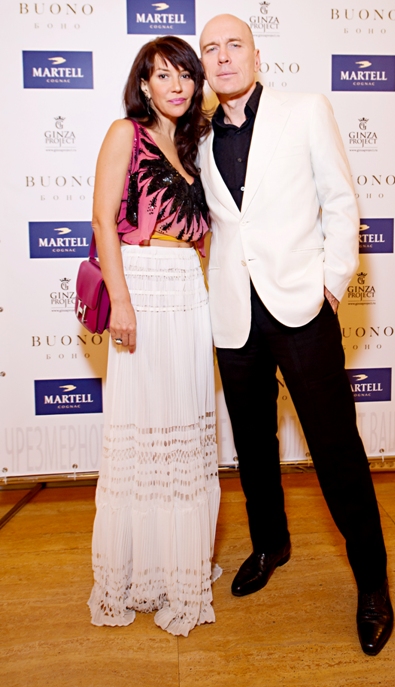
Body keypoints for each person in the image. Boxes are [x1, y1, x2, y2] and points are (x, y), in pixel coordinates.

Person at [198, 14, 393, 655]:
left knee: (336, 449)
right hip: (235, 314)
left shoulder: (305, 109)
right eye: (211, 49)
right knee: (253, 445)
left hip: (302, 308)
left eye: (234, 45)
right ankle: (270, 544)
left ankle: (372, 582)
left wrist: (330, 284)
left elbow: (341, 201)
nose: (223, 57)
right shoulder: (197, 135)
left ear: (257, 55)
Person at [87, 36, 221, 637]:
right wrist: (121, 300)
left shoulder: (194, 145)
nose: (176, 85)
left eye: (184, 75)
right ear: (143, 84)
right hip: (141, 285)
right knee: (143, 430)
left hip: (188, 288)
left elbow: (206, 232)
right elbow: (103, 218)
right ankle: (136, 570)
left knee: (184, 427)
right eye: (162, 75)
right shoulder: (127, 133)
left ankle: (178, 567)